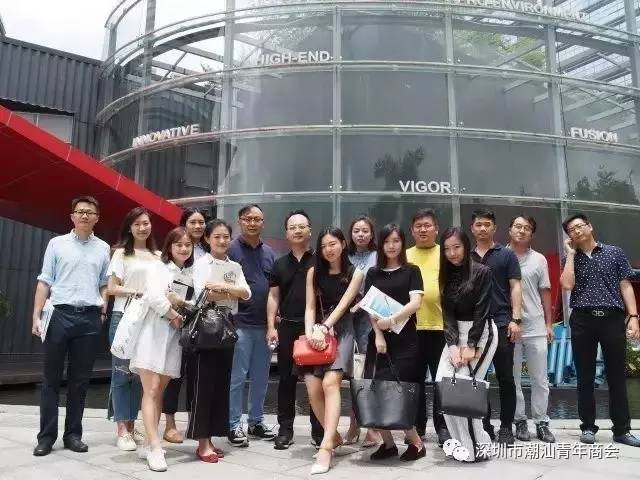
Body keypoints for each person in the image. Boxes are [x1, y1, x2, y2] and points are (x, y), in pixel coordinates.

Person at [32, 196, 110, 457]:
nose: (84, 215)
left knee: (80, 381)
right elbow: (44, 281)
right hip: (58, 315)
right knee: (50, 380)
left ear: (97, 218)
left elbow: (104, 283)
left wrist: (103, 309)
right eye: (80, 211)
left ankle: (73, 435)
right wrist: (36, 316)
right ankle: (46, 437)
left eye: (90, 212)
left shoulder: (103, 248)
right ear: (72, 216)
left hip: (89, 318)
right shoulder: (56, 244)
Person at [560, 213, 640, 447]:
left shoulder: (614, 252)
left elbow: (625, 285)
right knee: (584, 377)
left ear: (590, 226)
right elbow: (566, 285)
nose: (576, 231)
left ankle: (622, 430)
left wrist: (633, 316)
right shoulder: (571, 258)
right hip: (582, 320)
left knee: (617, 377)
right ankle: (587, 427)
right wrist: (570, 254)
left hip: (612, 319)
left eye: (579, 226)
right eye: (571, 230)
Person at [129, 227, 194, 471]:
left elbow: (192, 303)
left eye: (188, 245)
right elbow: (154, 297)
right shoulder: (158, 267)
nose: (184, 249)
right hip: (152, 333)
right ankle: (155, 447)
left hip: (173, 339)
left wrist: (181, 307)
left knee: (159, 392)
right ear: (169, 246)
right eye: (179, 244)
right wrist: (174, 313)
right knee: (152, 389)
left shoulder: (189, 274)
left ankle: (149, 441)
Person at [301, 227, 363, 475]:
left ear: (343, 244)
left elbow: (343, 306)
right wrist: (310, 333)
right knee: (312, 387)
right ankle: (334, 436)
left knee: (330, 383)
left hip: (342, 330)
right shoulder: (314, 272)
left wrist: (324, 328)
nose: (329, 249)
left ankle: (326, 448)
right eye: (324, 245)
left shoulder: (355, 273)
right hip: (315, 332)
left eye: (333, 244)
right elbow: (309, 307)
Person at [189, 219, 252, 463]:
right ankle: (202, 442)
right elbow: (203, 294)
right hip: (207, 324)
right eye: (217, 237)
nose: (222, 241)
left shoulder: (234, 265)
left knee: (220, 384)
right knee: (204, 383)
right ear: (207, 239)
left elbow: (246, 293)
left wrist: (222, 287)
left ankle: (211, 438)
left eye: (226, 236)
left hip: (227, 324)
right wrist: (230, 290)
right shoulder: (201, 263)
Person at [362, 224, 426, 461]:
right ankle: (388, 444)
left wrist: (391, 320)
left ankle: (417, 443)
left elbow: (415, 303)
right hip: (379, 341)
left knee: (399, 394)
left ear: (402, 243)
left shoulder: (412, 270)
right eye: (387, 241)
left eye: (396, 241)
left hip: (406, 341)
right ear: (380, 245)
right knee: (377, 392)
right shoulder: (373, 273)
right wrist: (379, 334)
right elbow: (370, 307)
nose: (391, 246)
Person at [435, 227, 498, 462]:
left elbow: (482, 310)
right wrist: (453, 346)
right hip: (454, 335)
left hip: (480, 334)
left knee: (463, 391)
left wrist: (471, 345)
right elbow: (447, 314)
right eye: (447, 249)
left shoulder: (482, 272)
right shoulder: (445, 274)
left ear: (466, 246)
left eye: (457, 247)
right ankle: (465, 444)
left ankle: (476, 449)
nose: (452, 253)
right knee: (444, 386)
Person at [266, 210, 324, 450]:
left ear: (310, 230)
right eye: (293, 227)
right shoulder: (279, 264)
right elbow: (273, 296)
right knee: (286, 381)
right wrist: (271, 326)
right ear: (286, 233)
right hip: (288, 327)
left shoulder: (321, 261)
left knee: (316, 380)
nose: (297, 230)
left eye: (302, 226)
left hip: (315, 329)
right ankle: (285, 430)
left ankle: (319, 431)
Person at [106, 207, 160, 451]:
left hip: (148, 319)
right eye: (137, 224)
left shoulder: (158, 256)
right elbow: (112, 288)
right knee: (121, 372)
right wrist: (136, 292)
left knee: (140, 374)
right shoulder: (121, 254)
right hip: (123, 316)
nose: (142, 227)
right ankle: (122, 428)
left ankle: (131, 423)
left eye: (145, 223)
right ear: (130, 228)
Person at [470, 209, 522, 444]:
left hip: (501, 322)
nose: (482, 228)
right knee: (478, 378)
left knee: (506, 378)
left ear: (494, 228)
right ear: (472, 228)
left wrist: (516, 319)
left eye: (487, 224)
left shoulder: (507, 255)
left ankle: (507, 427)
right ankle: (484, 425)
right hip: (475, 325)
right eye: (478, 224)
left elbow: (515, 286)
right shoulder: (467, 256)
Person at [227, 204, 276, 446]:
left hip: (263, 325)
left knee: (261, 378)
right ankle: (233, 424)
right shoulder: (230, 249)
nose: (252, 223)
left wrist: (272, 323)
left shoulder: (269, 252)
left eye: (257, 219)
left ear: (263, 222)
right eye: (248, 219)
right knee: (236, 378)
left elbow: (273, 289)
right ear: (240, 221)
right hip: (239, 324)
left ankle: (256, 421)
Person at [162, 207, 209, 444]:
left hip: (199, 323)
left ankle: (194, 423)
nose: (198, 226)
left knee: (195, 375)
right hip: (172, 323)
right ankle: (169, 424)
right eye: (193, 222)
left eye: (201, 222)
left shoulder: (207, 254)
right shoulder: (168, 263)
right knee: (173, 374)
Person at [507, 215, 556, 443]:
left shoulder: (539, 259)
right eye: (518, 226)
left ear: (532, 234)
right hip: (510, 327)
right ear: (509, 230)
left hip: (535, 326)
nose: (521, 230)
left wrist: (549, 324)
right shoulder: (501, 255)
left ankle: (542, 422)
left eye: (527, 228)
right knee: (513, 378)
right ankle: (519, 421)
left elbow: (545, 291)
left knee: (540, 378)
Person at [406, 208, 450, 446]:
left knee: (441, 380)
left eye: (427, 225)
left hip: (441, 327)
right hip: (411, 328)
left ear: (436, 229)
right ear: (412, 231)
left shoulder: (446, 253)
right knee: (415, 381)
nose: (423, 230)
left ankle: (443, 428)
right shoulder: (405, 255)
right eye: (418, 226)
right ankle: (417, 427)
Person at [344, 214, 379, 447]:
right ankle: (354, 424)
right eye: (356, 230)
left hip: (370, 320)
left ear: (372, 233)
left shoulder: (378, 256)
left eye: (365, 230)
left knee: (369, 372)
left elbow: (381, 287)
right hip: (347, 319)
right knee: (353, 374)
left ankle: (373, 428)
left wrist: (361, 304)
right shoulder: (345, 256)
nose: (360, 234)